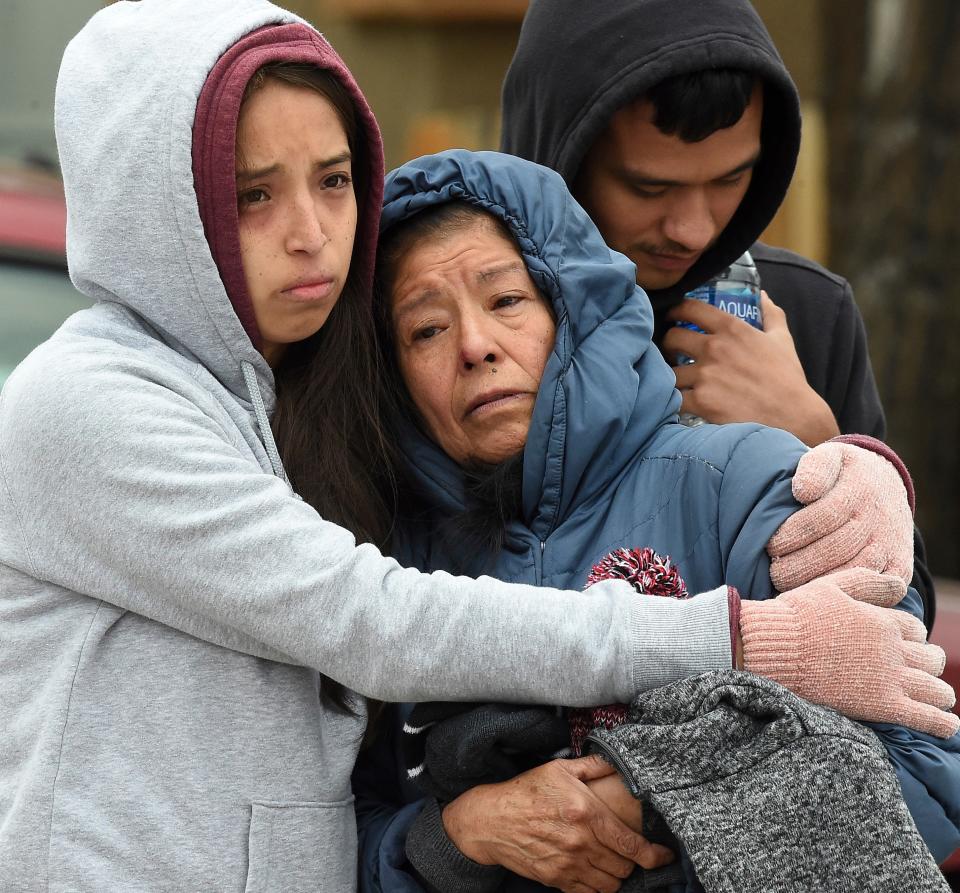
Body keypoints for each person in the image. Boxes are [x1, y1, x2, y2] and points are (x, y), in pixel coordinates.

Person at [0, 2, 857, 888]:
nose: (311, 233)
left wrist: (848, 461)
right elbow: (373, 619)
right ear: (161, 208)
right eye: (254, 193)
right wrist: (746, 638)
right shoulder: (93, 405)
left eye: (334, 181)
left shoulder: (301, 404)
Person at [354, 149, 960, 893]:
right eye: (425, 331)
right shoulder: (372, 565)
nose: (475, 345)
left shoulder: (747, 485)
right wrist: (458, 834)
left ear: (570, 307)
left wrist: (650, 801)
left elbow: (926, 768)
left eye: (506, 300)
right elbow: (334, 824)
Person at [498, 0, 937, 626]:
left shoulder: (807, 314)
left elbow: (906, 617)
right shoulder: (470, 320)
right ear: (557, 157)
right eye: (649, 188)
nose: (693, 229)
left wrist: (817, 441)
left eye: (732, 179)